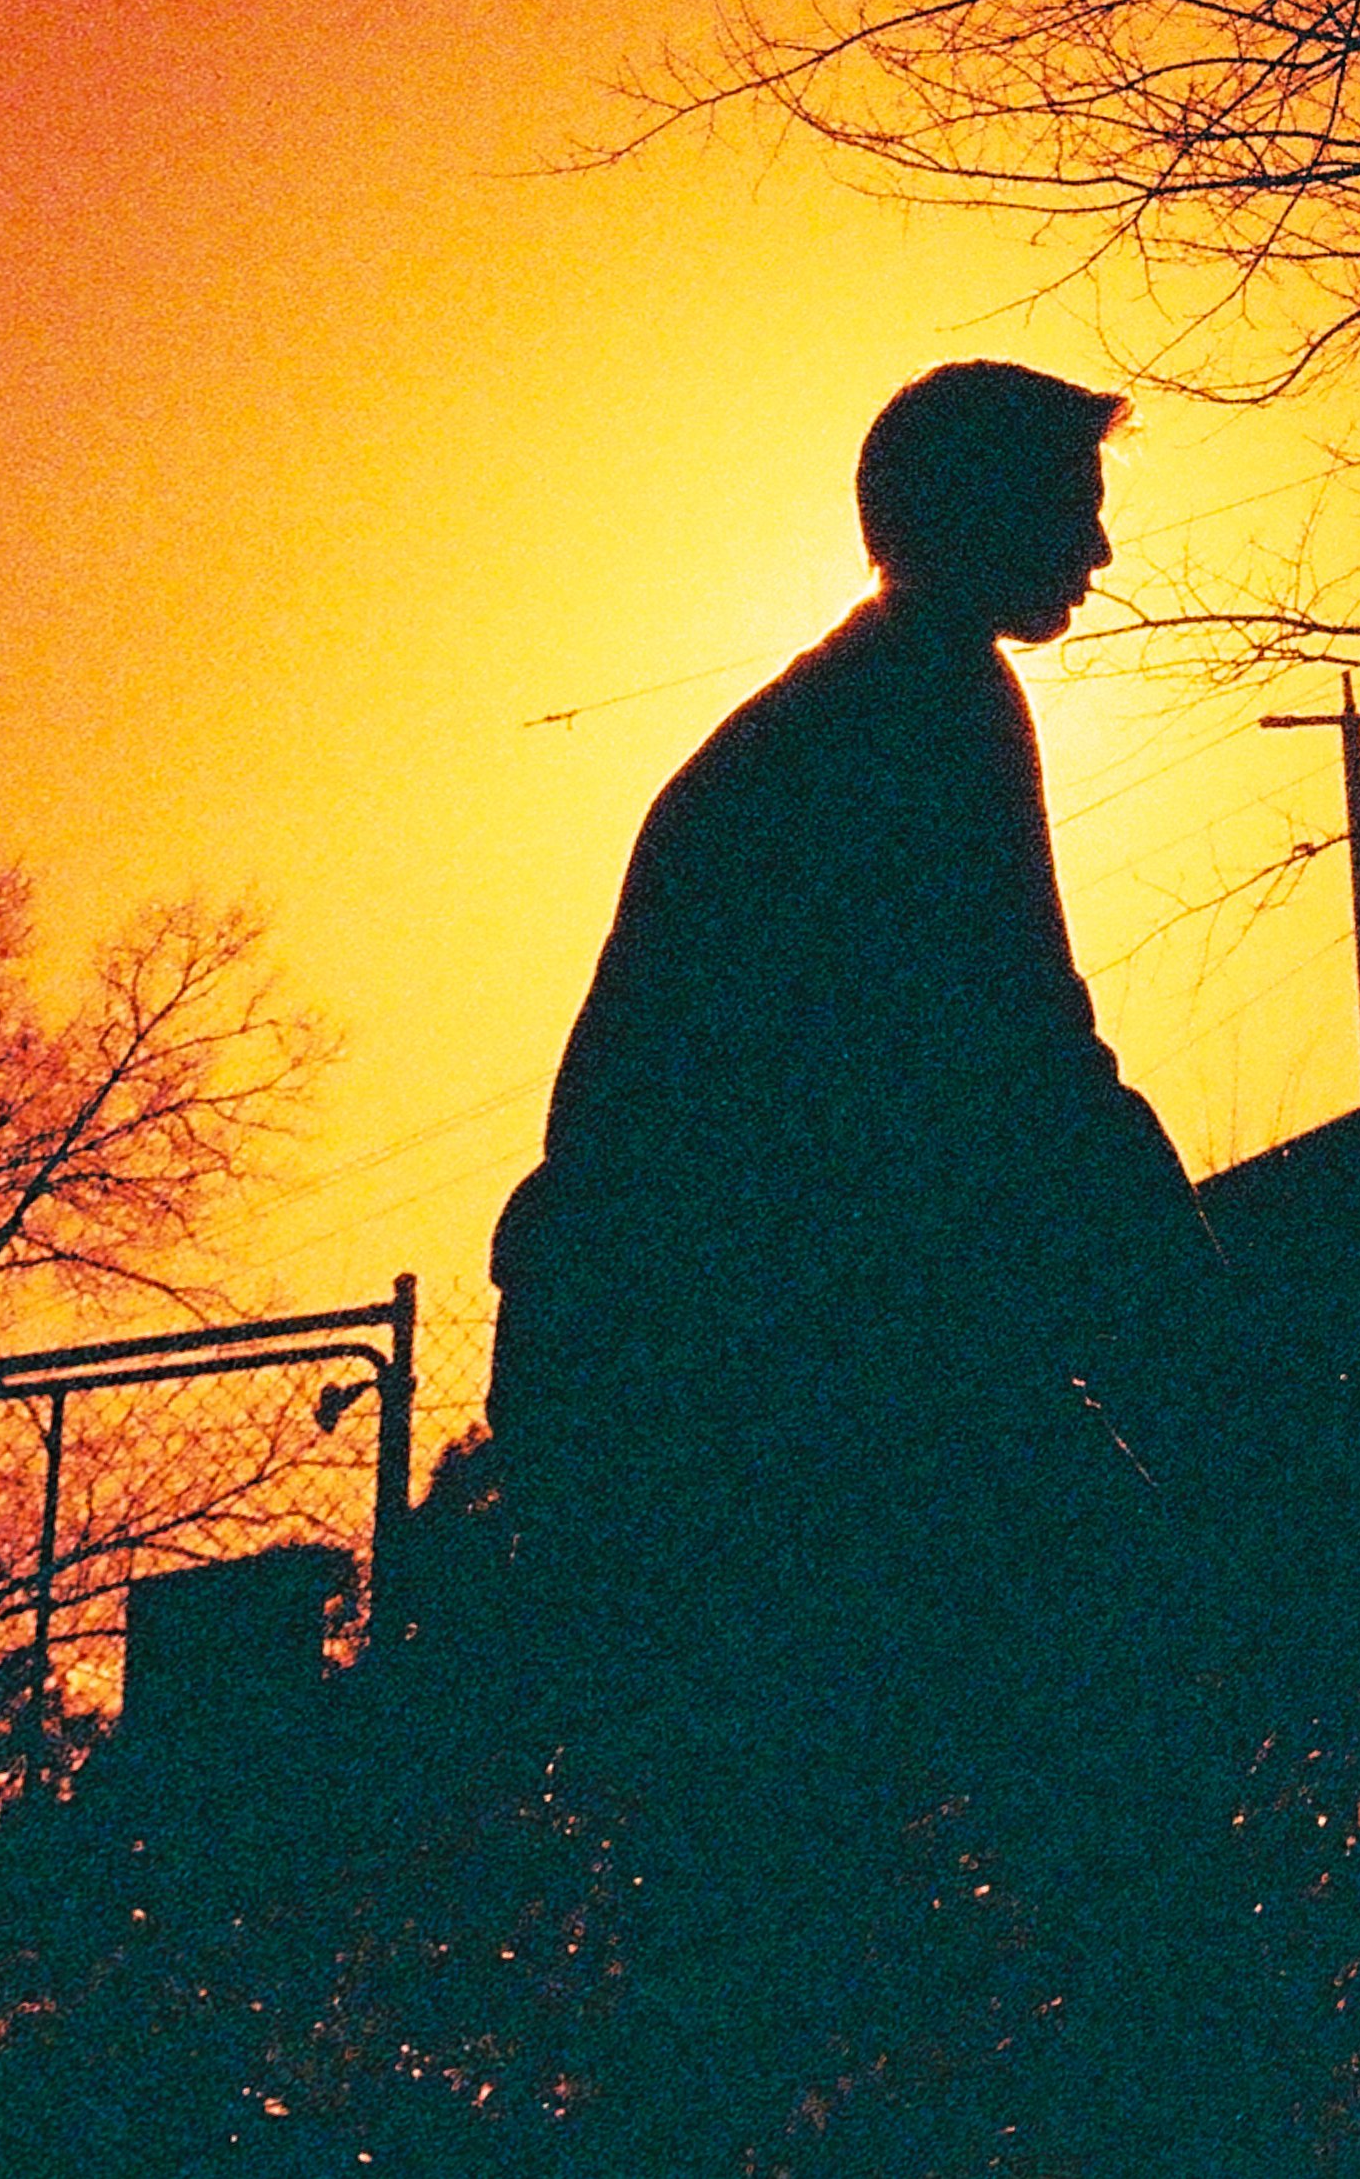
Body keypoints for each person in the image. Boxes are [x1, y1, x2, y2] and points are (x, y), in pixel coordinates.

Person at [487, 361, 1292, 2172]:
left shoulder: (852, 709)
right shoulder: (925, 710)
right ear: (973, 512)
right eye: (1071, 505)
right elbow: (1031, 1073)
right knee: (1091, 1762)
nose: (1100, 546)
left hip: (695, 1366)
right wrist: (1209, 1356)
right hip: (746, 1379)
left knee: (767, 1901)